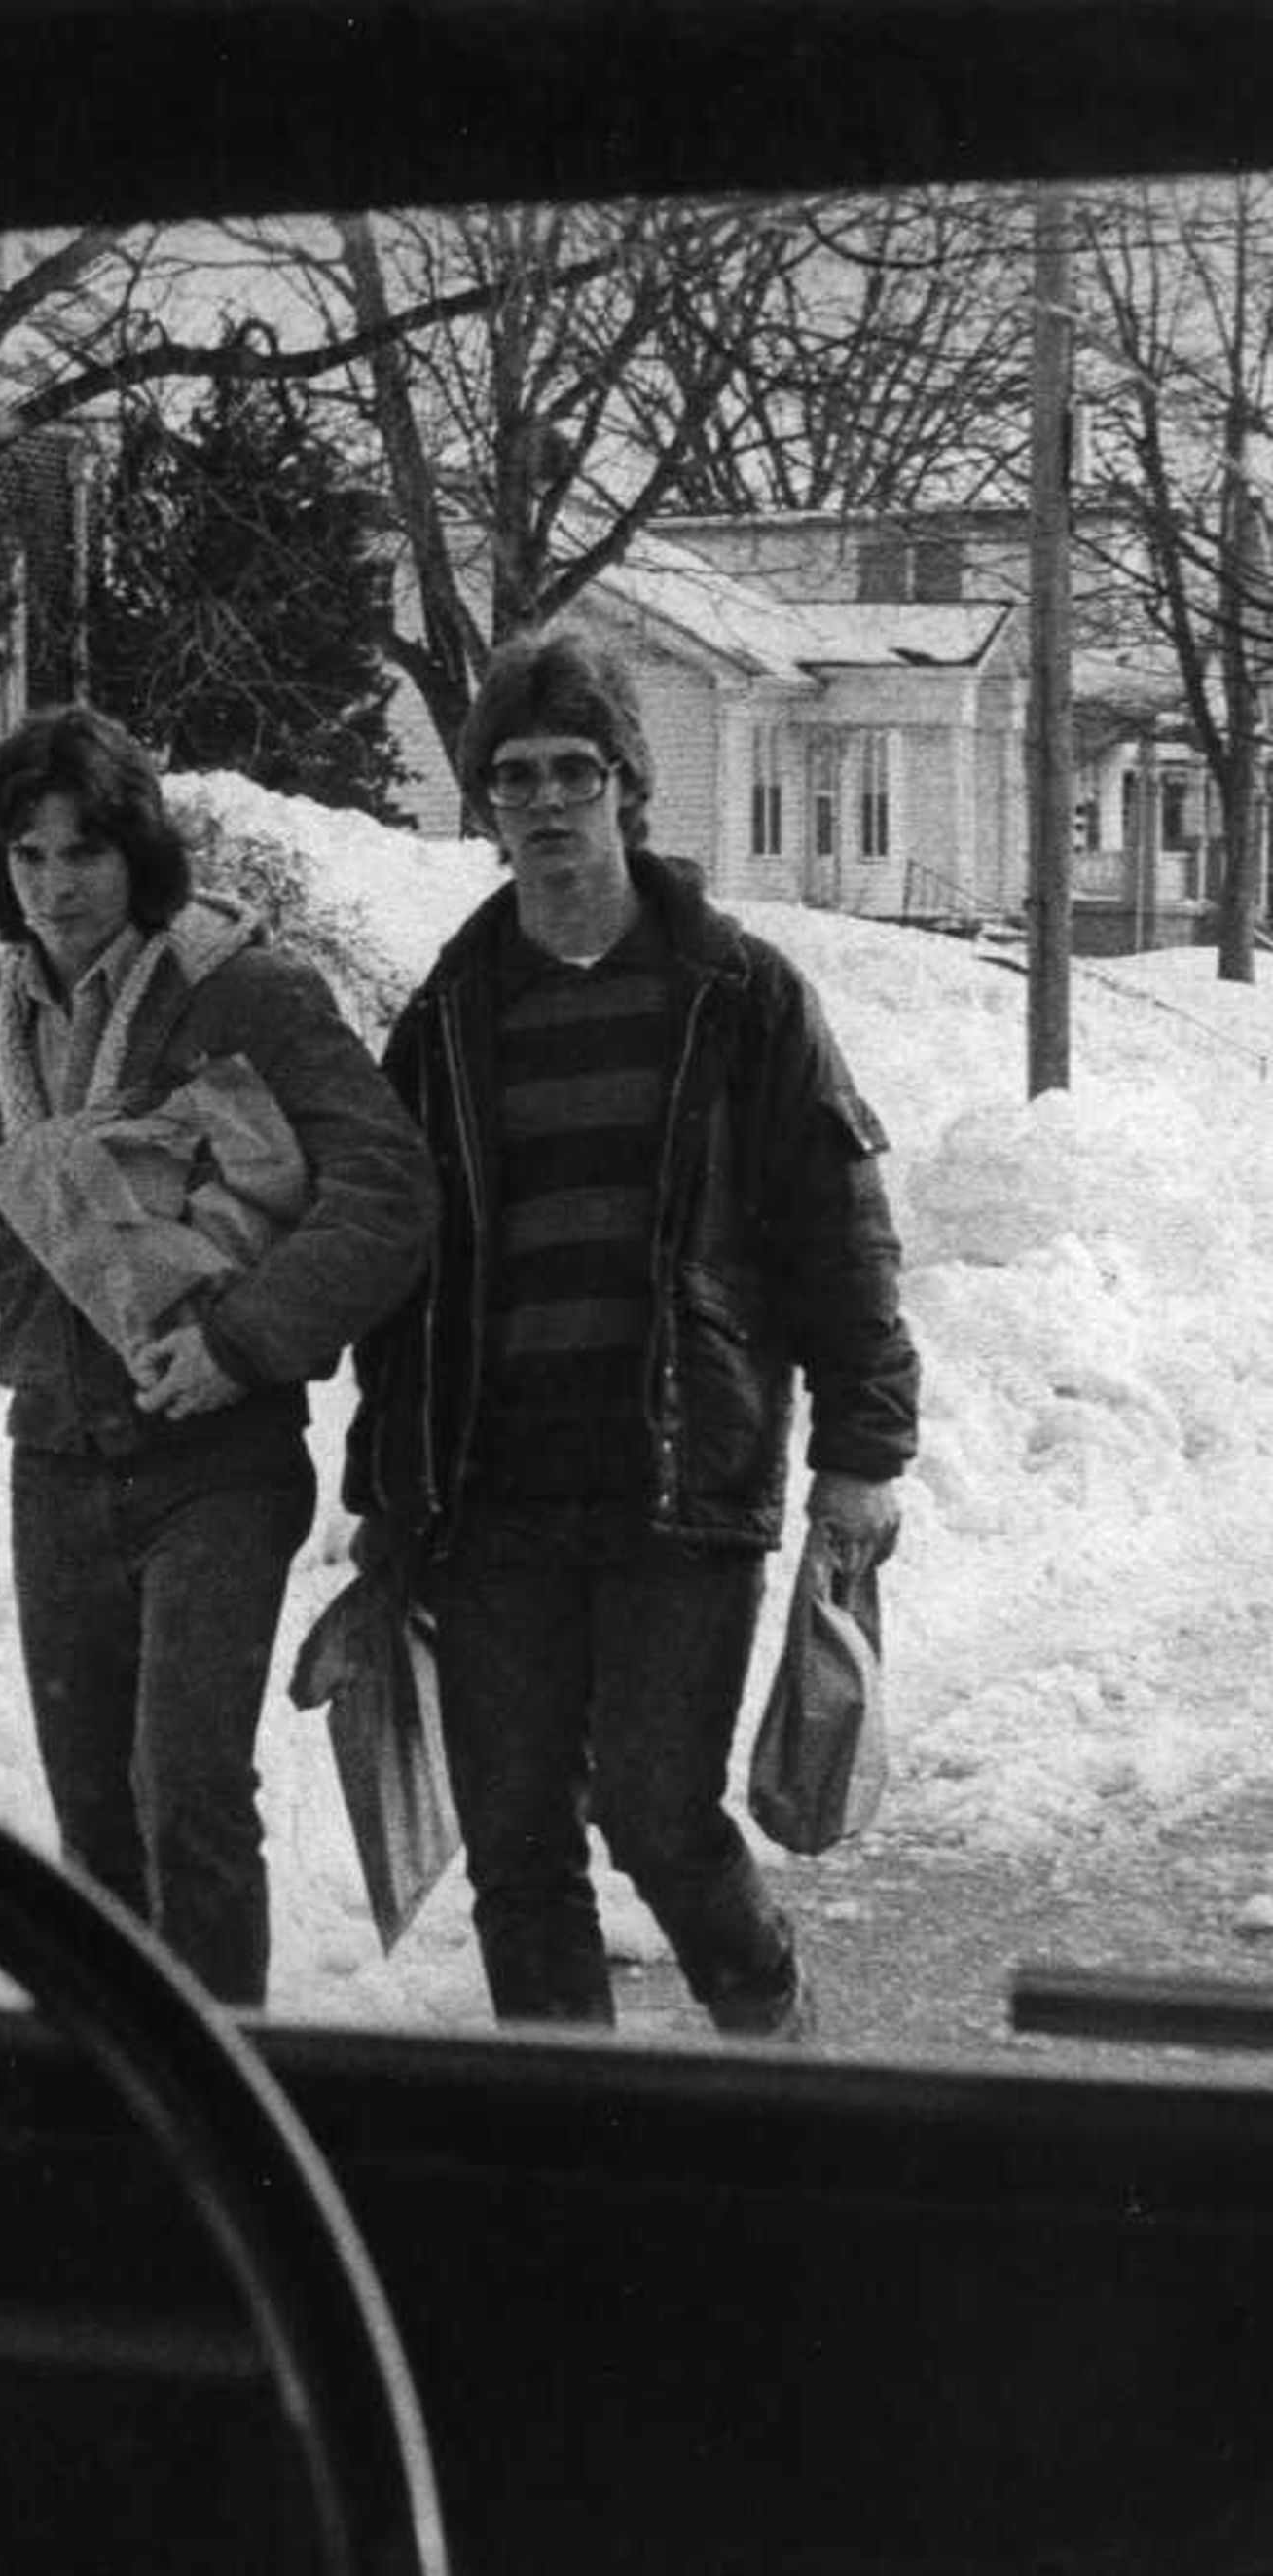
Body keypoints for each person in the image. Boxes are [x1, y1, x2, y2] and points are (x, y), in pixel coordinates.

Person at [0, 707, 435, 2006]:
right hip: (57, 1472)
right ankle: (137, 2104)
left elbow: (390, 1188)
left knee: (185, 1790)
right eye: (28, 857)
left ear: (137, 853)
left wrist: (244, 1344)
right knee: (92, 1826)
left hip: (219, 1462)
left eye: (84, 853)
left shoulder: (243, 990)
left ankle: (231, 2096)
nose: (58, 886)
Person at [342, 627, 919, 2036]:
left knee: (660, 1812)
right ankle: (571, 2146)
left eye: (574, 772)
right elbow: (404, 1284)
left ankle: (767, 2025)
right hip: (494, 1498)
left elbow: (836, 1234)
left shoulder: (739, 995)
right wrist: (386, 1497)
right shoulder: (450, 1018)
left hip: (680, 1482)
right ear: (486, 805)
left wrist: (863, 1449)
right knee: (519, 1841)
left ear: (627, 786)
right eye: (514, 778)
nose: (545, 803)